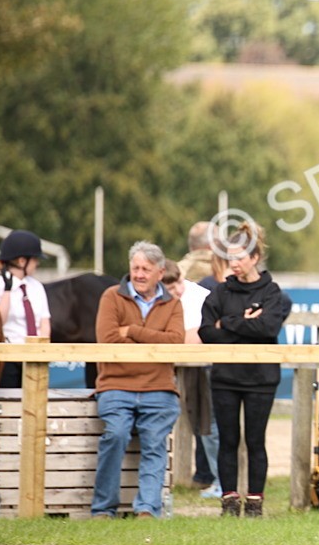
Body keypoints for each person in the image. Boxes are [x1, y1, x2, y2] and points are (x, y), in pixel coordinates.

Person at [199, 222, 291, 517]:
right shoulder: (220, 293)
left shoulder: (271, 291)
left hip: (261, 378)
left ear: (254, 258)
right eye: (230, 258)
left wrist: (227, 322)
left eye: (239, 258)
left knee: (255, 441)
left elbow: (268, 327)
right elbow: (206, 333)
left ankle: (254, 503)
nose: (233, 264)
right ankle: (229, 501)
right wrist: (243, 320)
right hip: (225, 377)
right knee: (228, 440)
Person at [90, 242, 184, 519]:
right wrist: (154, 337)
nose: (139, 274)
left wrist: (132, 330)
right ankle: (103, 508)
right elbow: (107, 339)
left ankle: (147, 509)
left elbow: (176, 342)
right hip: (116, 384)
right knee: (115, 434)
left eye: (146, 269)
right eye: (135, 268)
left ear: (160, 272)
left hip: (160, 388)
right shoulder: (111, 297)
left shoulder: (173, 304)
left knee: (155, 442)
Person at [162, 261, 221, 498]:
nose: (176, 290)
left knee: (209, 426)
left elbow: (194, 338)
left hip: (203, 366)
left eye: (177, 284)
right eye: (170, 287)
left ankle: (221, 481)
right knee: (200, 425)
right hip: (184, 367)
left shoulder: (198, 296)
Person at [0, 230, 52, 388]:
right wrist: (7, 291)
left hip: (34, 355)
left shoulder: (37, 287)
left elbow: (44, 322)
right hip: (8, 356)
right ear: (22, 261)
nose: (37, 263)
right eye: (35, 260)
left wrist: (41, 349)